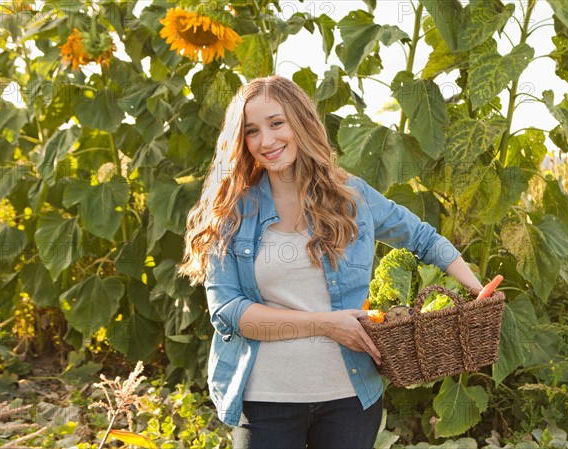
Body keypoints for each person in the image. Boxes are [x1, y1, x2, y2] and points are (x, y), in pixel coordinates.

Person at [179, 75, 483, 449]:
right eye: (252, 131)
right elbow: (229, 312)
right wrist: (326, 325)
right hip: (266, 402)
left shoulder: (351, 197)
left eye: (277, 123)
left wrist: (476, 290)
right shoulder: (232, 212)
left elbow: (422, 238)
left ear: (301, 122)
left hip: (350, 398)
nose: (266, 141)